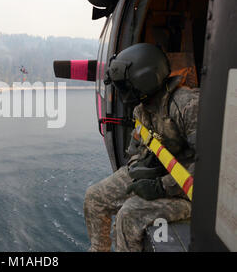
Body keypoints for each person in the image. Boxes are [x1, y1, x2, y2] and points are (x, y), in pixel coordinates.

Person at [84, 43, 200, 252]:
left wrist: (161, 186)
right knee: (95, 198)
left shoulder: (187, 106)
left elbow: (212, 168)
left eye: (125, 86)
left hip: (191, 193)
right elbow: (135, 151)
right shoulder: (142, 111)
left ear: (145, 79)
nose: (122, 93)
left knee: (129, 214)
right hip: (160, 178)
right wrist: (141, 169)